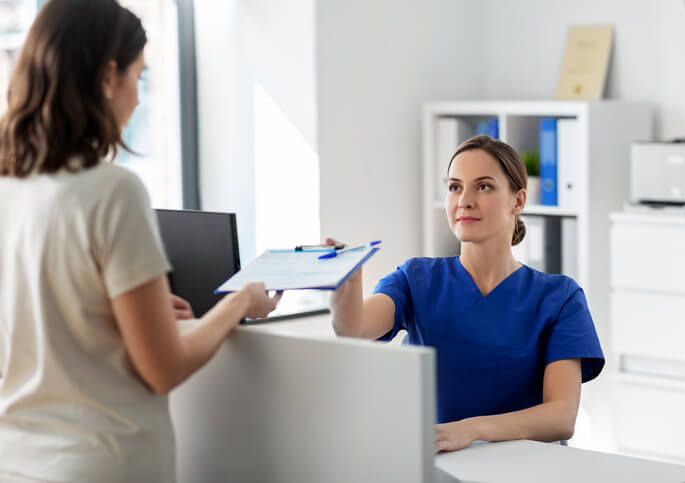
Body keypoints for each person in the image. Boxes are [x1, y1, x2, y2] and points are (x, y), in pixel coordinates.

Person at [0, 1, 280, 481]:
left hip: (17, 461)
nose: (136, 98)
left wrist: (122, 316)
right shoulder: (113, 190)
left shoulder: (10, 188)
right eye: (139, 77)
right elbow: (163, 369)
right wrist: (239, 302)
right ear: (108, 77)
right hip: (102, 464)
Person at [329, 134, 604, 453]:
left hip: (526, 467)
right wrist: (344, 288)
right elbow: (353, 329)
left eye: (483, 186)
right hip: (436, 463)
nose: (464, 200)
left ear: (517, 201)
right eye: (454, 187)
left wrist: (470, 430)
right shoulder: (416, 278)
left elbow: (560, 417)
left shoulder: (560, 297)